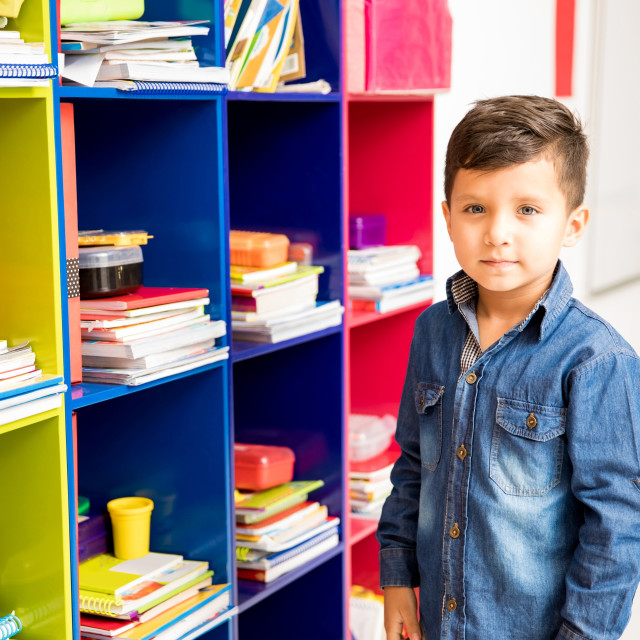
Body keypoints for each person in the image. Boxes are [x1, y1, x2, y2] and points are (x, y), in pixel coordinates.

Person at [376, 95, 640, 640]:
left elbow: (616, 525)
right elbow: (412, 464)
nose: (498, 232)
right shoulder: (431, 332)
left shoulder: (598, 360)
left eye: (527, 209)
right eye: (475, 208)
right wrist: (397, 578)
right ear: (446, 217)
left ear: (572, 224)